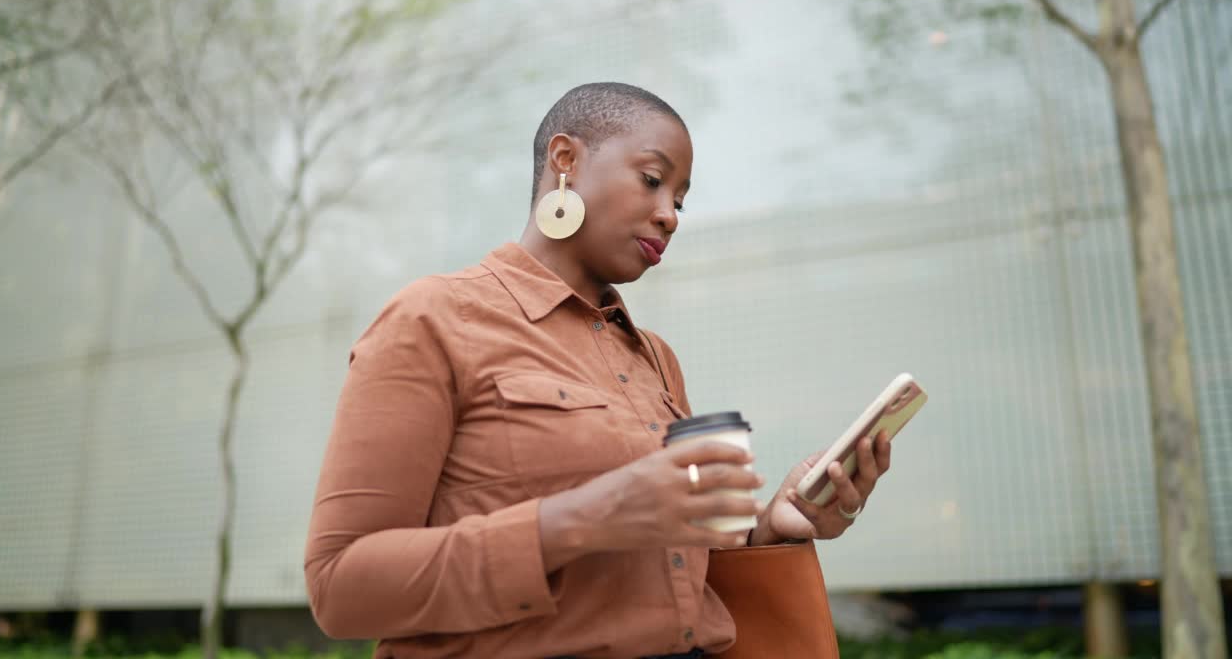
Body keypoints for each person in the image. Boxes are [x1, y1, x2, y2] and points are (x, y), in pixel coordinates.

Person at [303, 82, 893, 659]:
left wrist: (774, 529)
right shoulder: (432, 320)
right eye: (653, 181)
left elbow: (682, 581)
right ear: (566, 160)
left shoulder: (656, 358)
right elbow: (341, 589)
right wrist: (584, 517)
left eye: (681, 200)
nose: (670, 216)